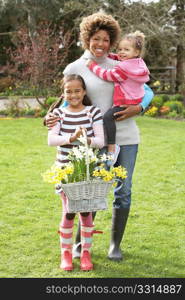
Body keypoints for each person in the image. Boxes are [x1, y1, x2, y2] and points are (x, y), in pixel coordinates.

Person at [45, 12, 154, 261]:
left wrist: (140, 108)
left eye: (106, 39)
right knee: (89, 191)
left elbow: (147, 91)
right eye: (96, 38)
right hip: (93, 142)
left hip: (126, 138)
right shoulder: (75, 67)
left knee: (123, 191)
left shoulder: (120, 64)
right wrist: (50, 118)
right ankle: (81, 244)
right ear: (87, 38)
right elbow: (66, 100)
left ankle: (115, 245)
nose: (101, 44)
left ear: (112, 41)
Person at [48, 74, 104, 271]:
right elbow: (51, 140)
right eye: (68, 91)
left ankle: (85, 252)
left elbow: (100, 141)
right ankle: (66, 253)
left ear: (84, 92)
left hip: (88, 171)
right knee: (69, 211)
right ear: (63, 93)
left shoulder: (92, 112)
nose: (73, 95)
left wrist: (85, 139)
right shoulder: (58, 113)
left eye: (77, 91)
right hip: (65, 171)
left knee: (86, 212)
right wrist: (72, 137)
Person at [86, 30, 150, 167]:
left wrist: (92, 66)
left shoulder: (123, 69)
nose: (121, 52)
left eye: (126, 49)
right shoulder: (138, 64)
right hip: (134, 98)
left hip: (126, 102)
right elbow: (122, 58)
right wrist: (111, 56)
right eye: (120, 49)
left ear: (136, 52)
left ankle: (111, 148)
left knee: (108, 117)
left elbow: (106, 75)